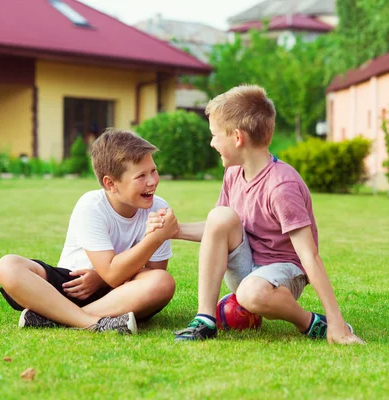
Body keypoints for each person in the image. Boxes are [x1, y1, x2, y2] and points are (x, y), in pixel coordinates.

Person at [147, 85, 364, 344]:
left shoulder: (281, 186)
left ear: (237, 138)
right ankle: (205, 319)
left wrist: (337, 322)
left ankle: (311, 322)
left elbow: (310, 256)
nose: (212, 143)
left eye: (215, 135)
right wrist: (174, 230)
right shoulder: (233, 173)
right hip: (247, 264)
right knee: (220, 215)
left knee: (251, 293)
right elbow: (218, 230)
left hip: (284, 271)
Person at [0, 128, 178, 334]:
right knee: (7, 266)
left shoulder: (157, 207)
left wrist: (101, 278)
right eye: (141, 176)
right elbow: (110, 272)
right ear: (110, 184)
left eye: (153, 170)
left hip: (120, 294)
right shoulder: (92, 205)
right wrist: (154, 238)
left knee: (162, 282)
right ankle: (91, 322)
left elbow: (153, 271)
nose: (152, 181)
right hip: (72, 284)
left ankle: (56, 317)